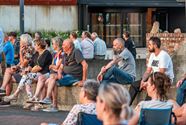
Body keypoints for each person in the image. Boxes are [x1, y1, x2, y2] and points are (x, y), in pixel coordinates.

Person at [39, 39, 88, 105]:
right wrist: (59, 73)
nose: (62, 46)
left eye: (64, 45)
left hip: (74, 76)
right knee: (49, 81)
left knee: (54, 82)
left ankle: (52, 103)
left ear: (69, 46)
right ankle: (47, 101)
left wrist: (83, 80)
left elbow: (85, 65)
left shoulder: (76, 52)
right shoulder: (65, 54)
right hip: (65, 75)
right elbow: (61, 67)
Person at [0, 34, 34, 106]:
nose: (20, 42)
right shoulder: (25, 48)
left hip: (27, 71)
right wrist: (17, 66)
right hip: (22, 69)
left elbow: (24, 64)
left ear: (25, 41)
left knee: (9, 78)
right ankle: (3, 90)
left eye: (21, 40)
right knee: (8, 71)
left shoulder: (30, 49)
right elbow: (21, 63)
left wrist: (20, 53)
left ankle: (7, 98)